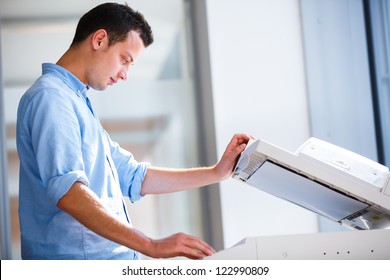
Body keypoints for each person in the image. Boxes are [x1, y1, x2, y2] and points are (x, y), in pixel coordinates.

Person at [16, 2, 250, 260]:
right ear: (100, 39)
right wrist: (151, 245)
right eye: (125, 60)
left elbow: (134, 177)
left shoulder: (77, 103)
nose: (125, 74)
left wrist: (216, 173)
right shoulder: (52, 98)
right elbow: (69, 192)